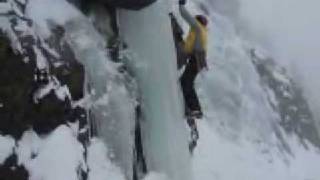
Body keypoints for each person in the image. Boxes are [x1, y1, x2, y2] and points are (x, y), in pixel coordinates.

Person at [178, 0, 208, 119]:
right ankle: (189, 106)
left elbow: (185, 15)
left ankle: (195, 109)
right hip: (197, 59)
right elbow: (189, 47)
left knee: (187, 83)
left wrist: (181, 5)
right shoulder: (202, 32)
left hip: (196, 60)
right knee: (185, 81)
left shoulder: (197, 28)